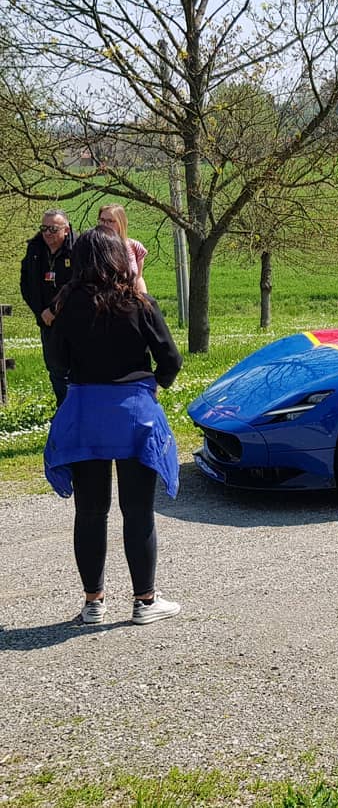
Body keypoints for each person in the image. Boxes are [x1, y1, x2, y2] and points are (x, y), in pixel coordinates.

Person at [44, 226, 184, 626]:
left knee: (90, 511)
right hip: (134, 414)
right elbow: (171, 359)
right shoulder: (138, 302)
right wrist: (154, 384)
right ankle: (145, 601)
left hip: (86, 413)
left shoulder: (66, 305)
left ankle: (93, 603)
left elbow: (56, 363)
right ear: (117, 260)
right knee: (137, 509)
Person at [19, 209, 76, 405]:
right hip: (46, 322)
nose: (47, 233)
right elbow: (26, 284)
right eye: (44, 228)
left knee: (77, 370)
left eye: (53, 229)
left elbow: (78, 285)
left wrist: (55, 310)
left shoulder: (77, 250)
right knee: (55, 369)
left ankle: (77, 411)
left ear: (66, 230)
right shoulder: (35, 249)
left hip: (73, 320)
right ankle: (64, 410)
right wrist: (40, 312)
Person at [97, 203, 148, 294]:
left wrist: (146, 302)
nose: (105, 224)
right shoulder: (93, 247)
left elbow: (139, 278)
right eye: (102, 220)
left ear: (121, 223)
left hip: (129, 301)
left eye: (110, 221)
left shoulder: (135, 247)